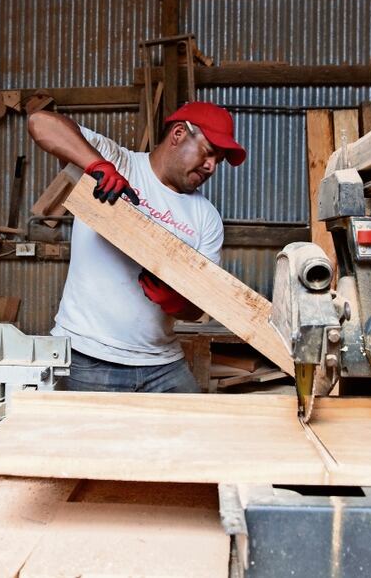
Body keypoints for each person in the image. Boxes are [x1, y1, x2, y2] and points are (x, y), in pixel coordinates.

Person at [26, 102, 246, 393]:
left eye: (218, 161)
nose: (211, 166)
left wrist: (177, 300)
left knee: (195, 434)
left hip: (163, 365)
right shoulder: (118, 162)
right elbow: (40, 122)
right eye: (209, 153)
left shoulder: (207, 218)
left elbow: (196, 310)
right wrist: (97, 166)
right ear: (179, 133)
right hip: (88, 357)